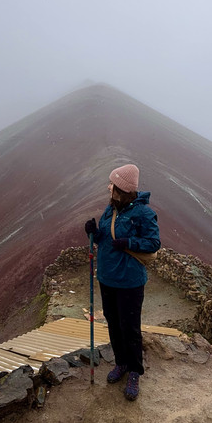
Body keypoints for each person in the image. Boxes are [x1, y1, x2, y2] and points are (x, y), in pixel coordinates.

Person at [84, 163, 161, 401]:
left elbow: (153, 243)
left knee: (130, 328)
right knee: (114, 325)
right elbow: (105, 239)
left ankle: (135, 371)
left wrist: (129, 243)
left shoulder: (144, 214)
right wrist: (93, 233)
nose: (109, 188)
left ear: (124, 190)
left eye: (113, 186)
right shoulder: (112, 208)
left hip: (129, 282)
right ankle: (121, 363)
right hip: (107, 279)